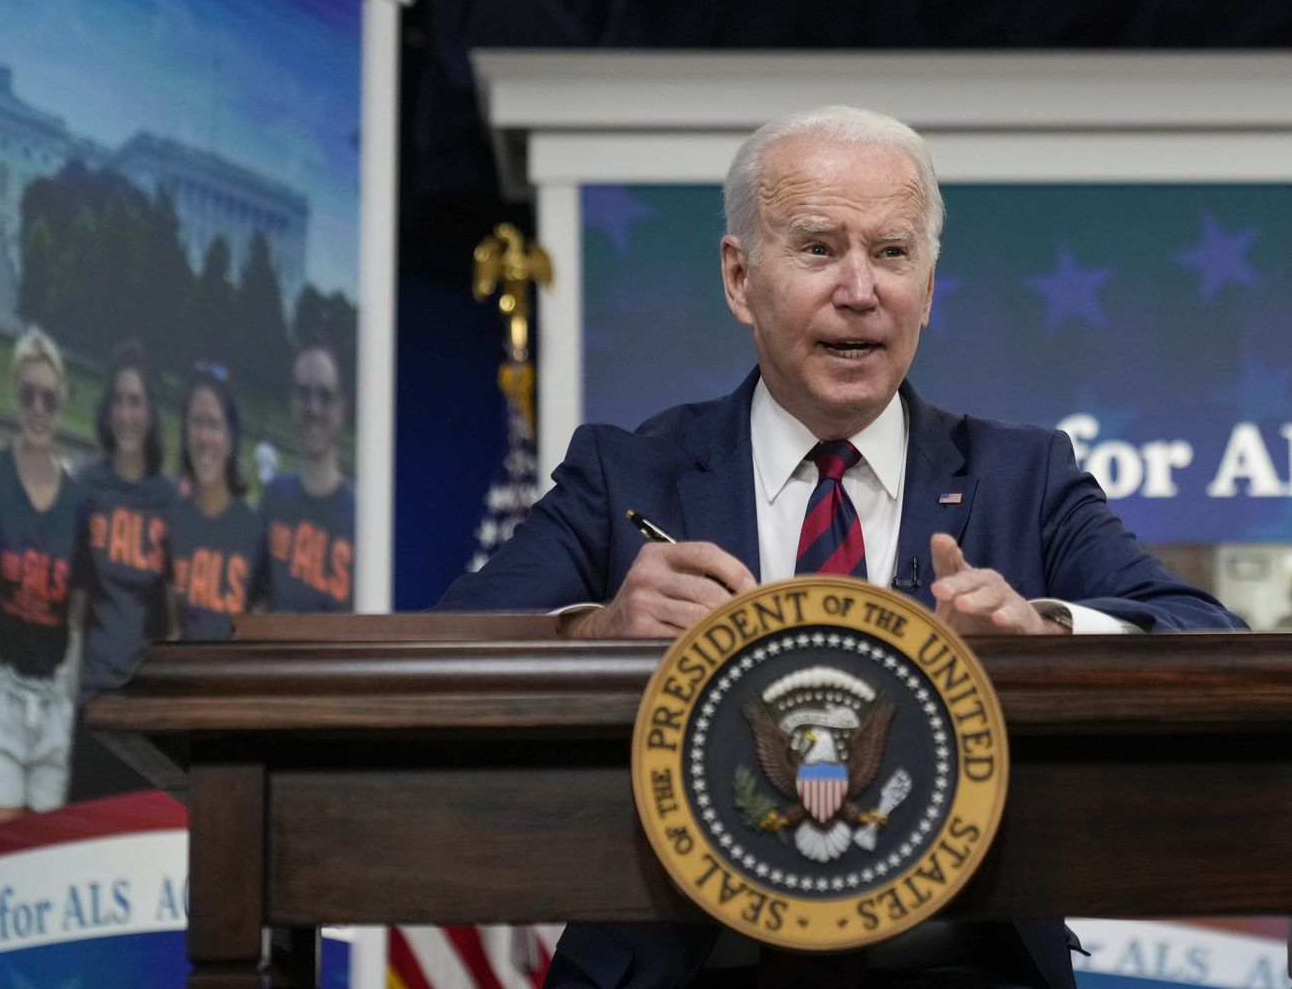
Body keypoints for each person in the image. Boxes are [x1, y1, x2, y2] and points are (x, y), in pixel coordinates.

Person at [438, 105, 1244, 989]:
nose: (860, 289)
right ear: (740, 279)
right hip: (688, 965)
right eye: (819, 248)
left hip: (963, 965)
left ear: (929, 289)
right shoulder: (627, 474)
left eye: (894, 254)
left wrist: (1046, 641)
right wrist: (599, 633)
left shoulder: (1025, 476)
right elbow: (446, 651)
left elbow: (1208, 638)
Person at [0, 328, 84, 823]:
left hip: (53, 701)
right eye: (28, 396)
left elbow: (78, 606)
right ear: (15, 399)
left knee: (41, 868)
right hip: (0, 696)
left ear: (61, 404)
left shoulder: (78, 501)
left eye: (49, 398)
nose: (39, 408)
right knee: (0, 860)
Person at [69, 342, 175, 800]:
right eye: (118, 400)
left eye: (136, 402)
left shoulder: (169, 500)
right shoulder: (87, 488)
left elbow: (175, 612)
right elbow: (75, 602)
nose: (126, 413)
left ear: (150, 412)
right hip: (94, 702)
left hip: (147, 712)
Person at [168, 369, 264, 642]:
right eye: (196, 423)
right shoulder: (173, 522)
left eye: (213, 425)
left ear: (230, 439)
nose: (203, 437)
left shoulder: (254, 531)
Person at [259, 346, 354, 611]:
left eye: (325, 395)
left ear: (341, 408)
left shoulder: (359, 520)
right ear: (292, 402)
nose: (314, 408)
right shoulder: (273, 499)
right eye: (303, 393)